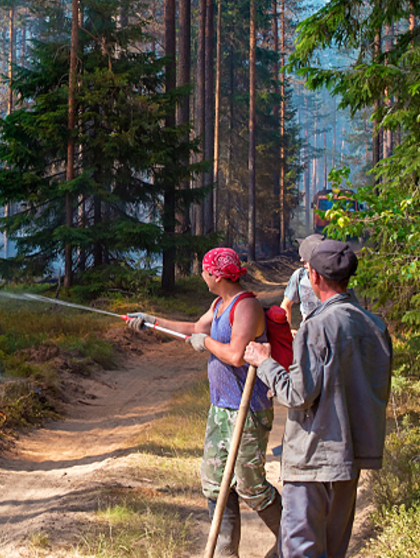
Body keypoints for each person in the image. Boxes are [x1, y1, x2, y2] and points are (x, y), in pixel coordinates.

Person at [127, 248, 281, 558]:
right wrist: (152, 321)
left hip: (247, 410)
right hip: (221, 407)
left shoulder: (246, 306)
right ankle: (225, 551)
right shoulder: (219, 303)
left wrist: (207, 344)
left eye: (205, 271)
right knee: (214, 483)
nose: (202, 275)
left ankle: (295, 540)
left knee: (250, 485)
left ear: (218, 275)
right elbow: (196, 329)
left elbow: (236, 354)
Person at [244, 239, 392, 558]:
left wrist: (264, 362)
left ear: (314, 277)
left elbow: (296, 395)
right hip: (350, 459)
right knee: (333, 549)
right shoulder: (375, 326)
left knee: (301, 550)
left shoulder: (317, 326)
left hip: (312, 460)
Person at [280, 234, 324, 326]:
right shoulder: (299, 275)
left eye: (306, 255)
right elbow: (286, 305)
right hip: (306, 336)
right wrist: (286, 332)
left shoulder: (334, 279)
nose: (301, 259)